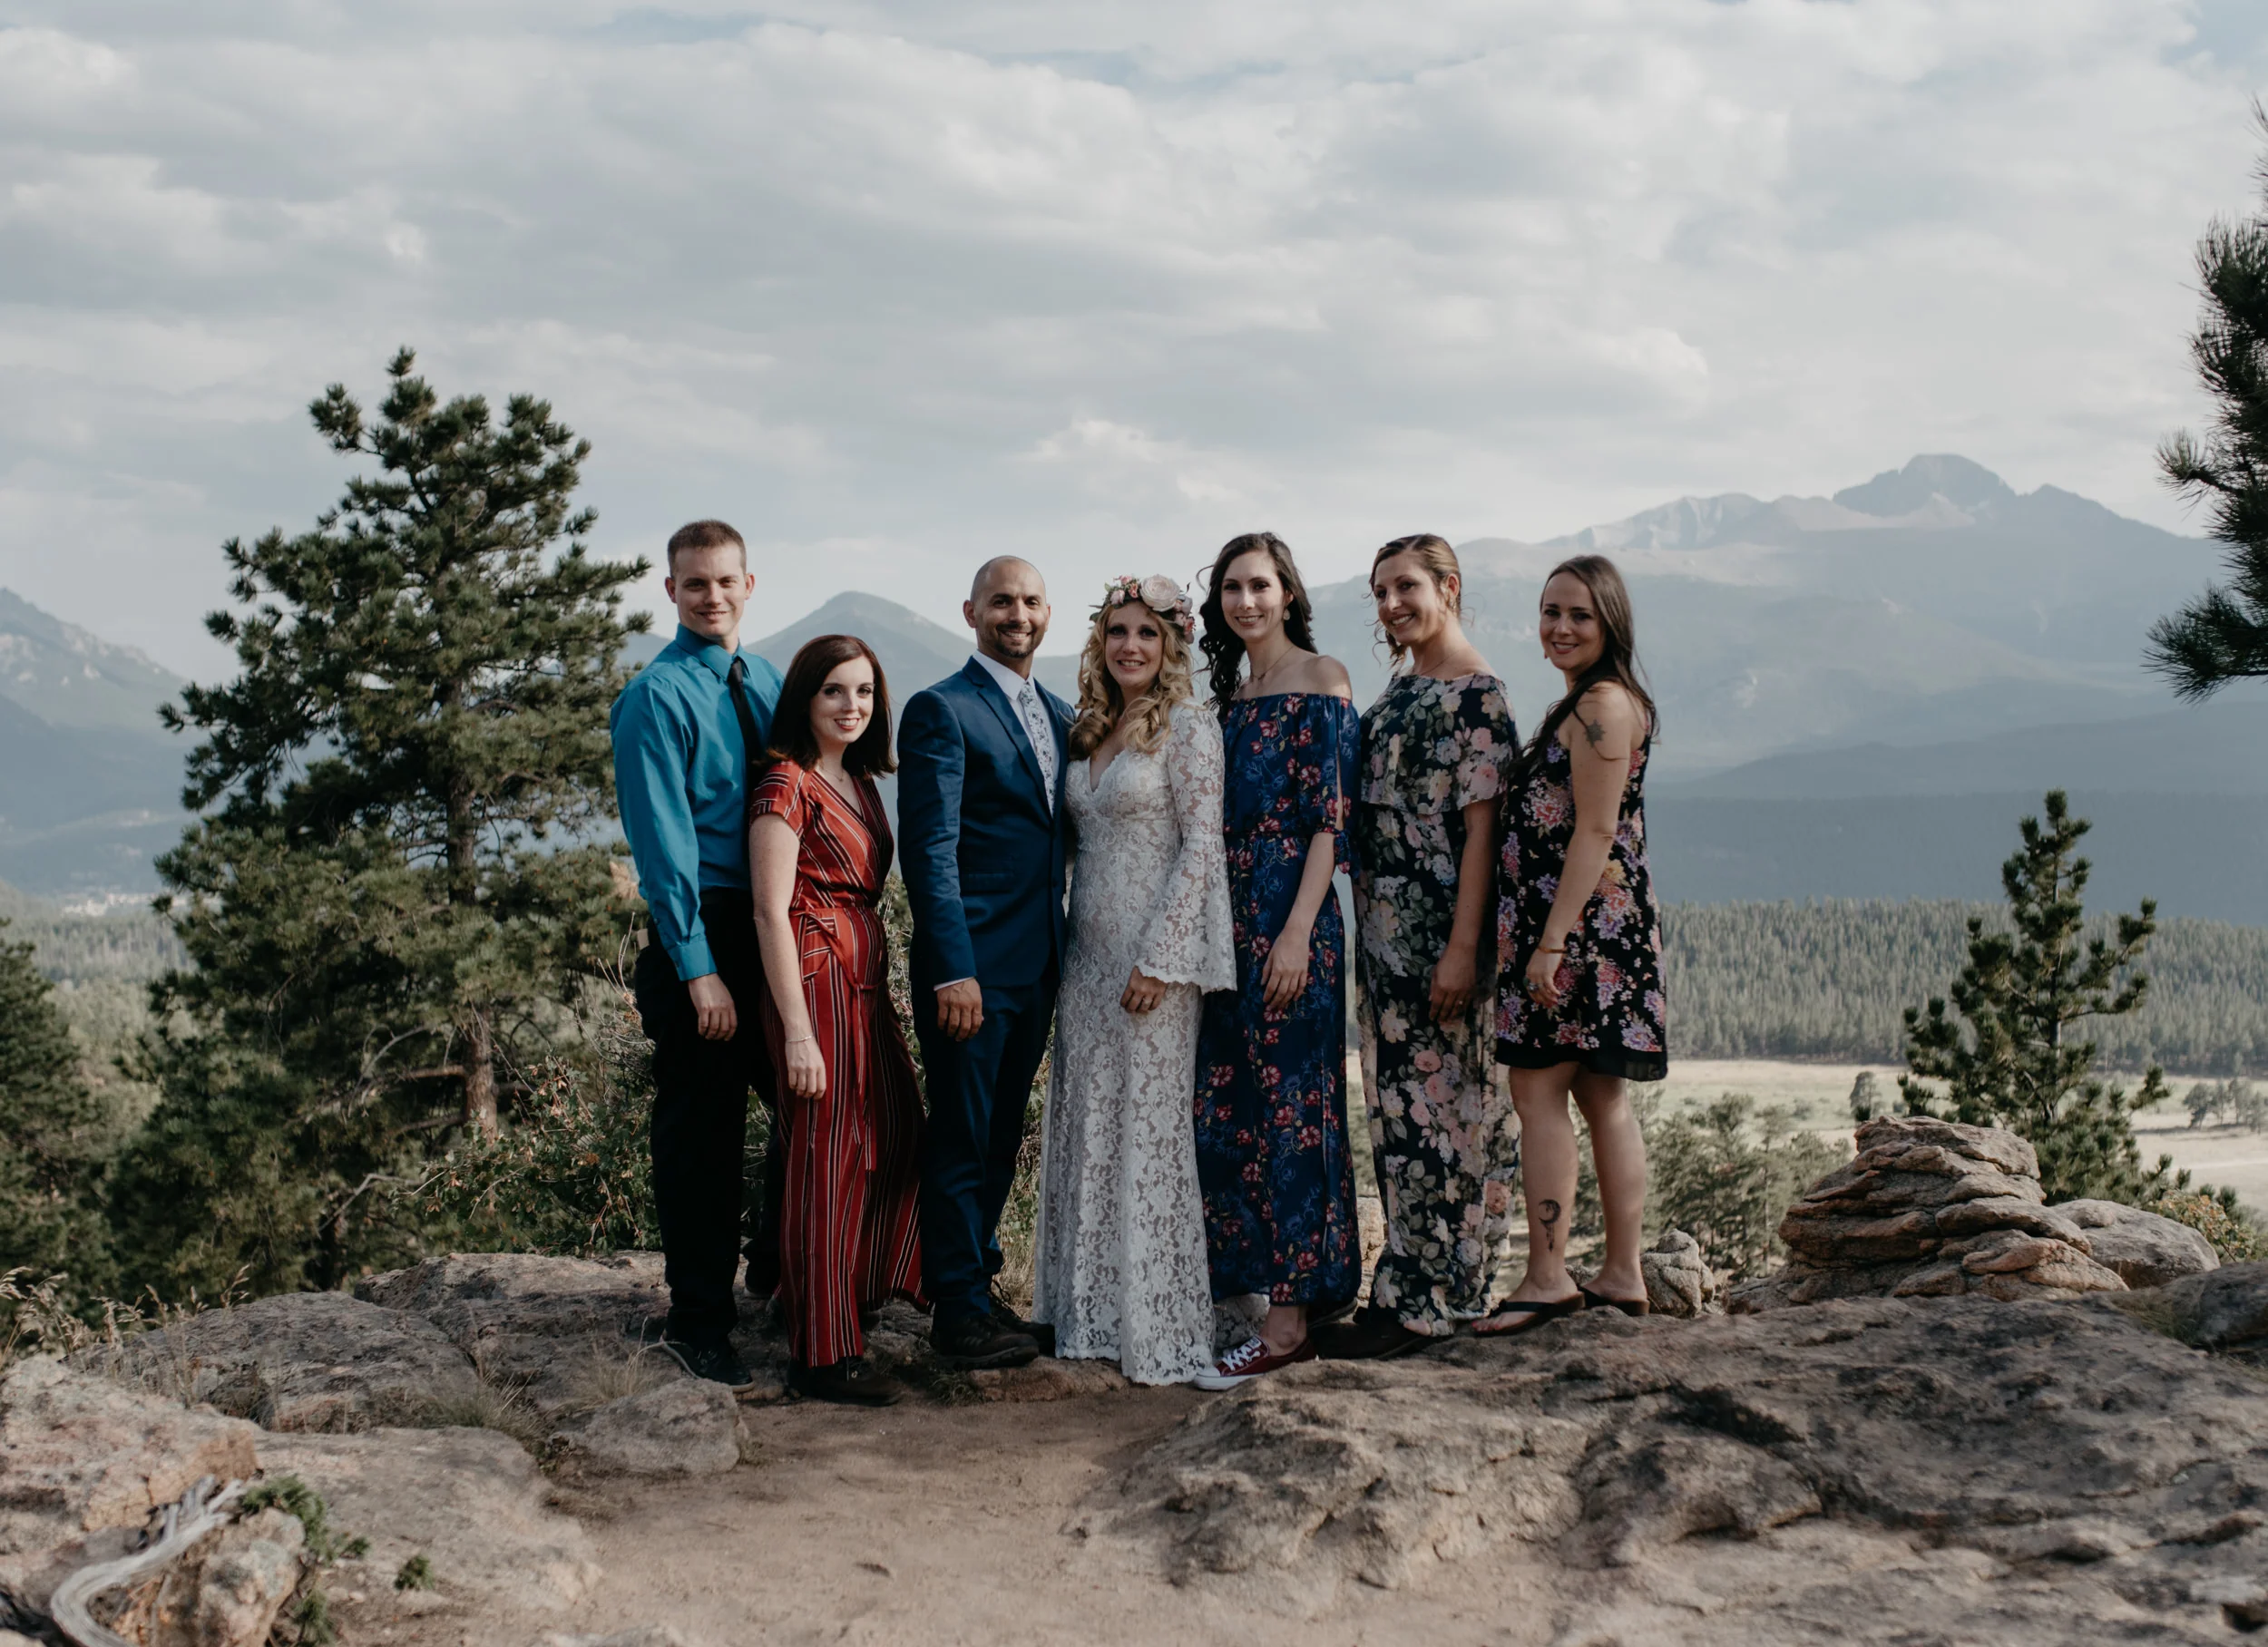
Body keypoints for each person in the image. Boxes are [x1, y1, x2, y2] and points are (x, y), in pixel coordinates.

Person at [1031, 576, 1233, 1386]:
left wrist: (1161, 957)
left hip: (1153, 964)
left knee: (1147, 1131)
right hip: (1086, 959)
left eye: (1147, 634)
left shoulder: (1188, 728)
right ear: (1099, 643)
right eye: (1118, 632)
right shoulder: (1089, 731)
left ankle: (1159, 1325)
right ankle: (1089, 1316)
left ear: (1171, 645)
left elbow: (1201, 846)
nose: (1130, 647)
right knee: (1088, 1121)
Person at [1327, 535, 1520, 1360]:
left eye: (1405, 586)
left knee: (1458, 1119)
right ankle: (1404, 1285)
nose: (1391, 604)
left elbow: (1483, 835)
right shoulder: (1405, 690)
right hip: (1383, 943)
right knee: (1401, 1117)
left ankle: (1449, 1297)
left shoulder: (1479, 698)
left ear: (1449, 587)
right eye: (1379, 592)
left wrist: (1463, 949)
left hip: (1442, 940)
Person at [611, 519, 785, 1388]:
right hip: (706, 933)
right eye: (694, 584)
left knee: (817, 1102)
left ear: (749, 586)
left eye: (725, 581)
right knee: (704, 1138)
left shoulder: (772, 684)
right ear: (671, 591)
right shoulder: (657, 696)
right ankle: (700, 1320)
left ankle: (782, 1263)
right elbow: (664, 845)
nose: (711, 596)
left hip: (779, 929)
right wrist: (696, 967)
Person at [1475, 553, 1665, 1336]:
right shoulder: (1585, 704)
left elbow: (1594, 830)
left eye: (1579, 614)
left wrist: (1549, 942)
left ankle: (1552, 1275)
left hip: (1576, 934)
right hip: (1582, 930)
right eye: (1551, 612)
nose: (1560, 627)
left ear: (1610, 622)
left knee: (1540, 1092)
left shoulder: (1605, 708)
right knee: (1597, 1095)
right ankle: (1622, 1274)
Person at [1190, 531, 1363, 1390]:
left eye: (1260, 585)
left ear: (1288, 593)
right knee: (1234, 1109)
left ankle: (1294, 1321)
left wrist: (1296, 930)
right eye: (1231, 588)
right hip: (1226, 919)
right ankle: (1258, 1300)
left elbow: (1331, 821)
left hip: (1290, 913)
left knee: (1298, 1112)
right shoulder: (1233, 693)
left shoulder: (1322, 679)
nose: (1246, 601)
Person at [900, 557, 1074, 1369]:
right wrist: (950, 970)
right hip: (968, 970)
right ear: (971, 610)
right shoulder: (943, 710)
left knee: (1002, 1136)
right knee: (963, 1138)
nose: (1018, 614)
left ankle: (978, 1288)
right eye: (1002, 601)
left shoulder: (1061, 713)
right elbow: (929, 853)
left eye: (1031, 601)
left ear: (1049, 612)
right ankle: (956, 1315)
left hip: (1037, 966)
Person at [749, 635, 927, 1406]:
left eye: (863, 693)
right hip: (815, 979)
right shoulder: (784, 783)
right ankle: (820, 1356)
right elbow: (767, 911)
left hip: (863, 977)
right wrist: (795, 1030)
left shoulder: (856, 778)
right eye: (834, 692)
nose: (851, 706)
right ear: (805, 699)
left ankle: (838, 1295)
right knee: (828, 1154)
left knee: (894, 1133)